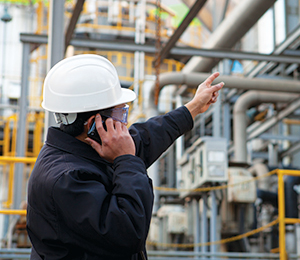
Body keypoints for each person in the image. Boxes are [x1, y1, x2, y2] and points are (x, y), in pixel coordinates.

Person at [26, 54, 224, 260]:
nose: (124, 123)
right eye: (120, 113)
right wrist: (127, 160)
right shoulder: (66, 180)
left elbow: (145, 138)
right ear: (95, 123)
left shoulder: (86, 148)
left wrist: (193, 108)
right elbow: (129, 231)